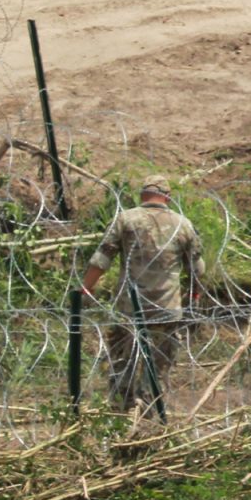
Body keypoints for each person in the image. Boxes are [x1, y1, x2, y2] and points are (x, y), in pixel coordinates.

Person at [81, 176, 204, 412]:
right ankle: (150, 414)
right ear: (167, 197)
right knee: (157, 370)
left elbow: (102, 258)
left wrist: (86, 287)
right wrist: (194, 295)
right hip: (167, 310)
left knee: (122, 363)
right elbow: (197, 269)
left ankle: (120, 411)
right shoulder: (183, 224)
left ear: (142, 195)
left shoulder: (126, 219)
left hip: (130, 308)